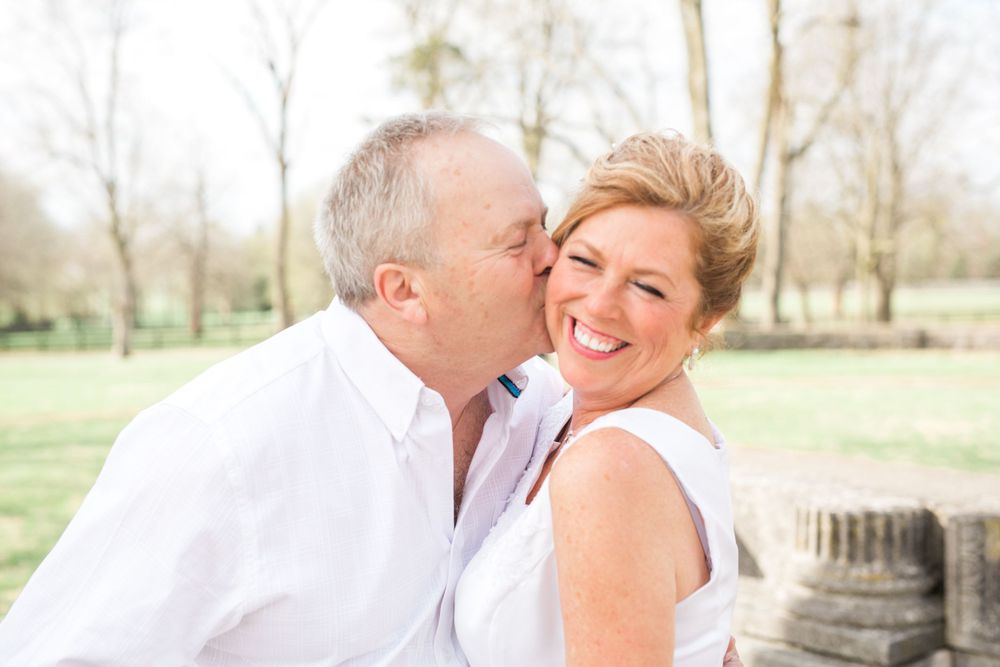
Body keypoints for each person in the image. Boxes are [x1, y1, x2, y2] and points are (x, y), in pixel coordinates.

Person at [0, 113, 565, 665]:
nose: (555, 257)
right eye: (518, 242)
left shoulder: (551, 408)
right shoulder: (217, 448)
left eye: (545, 225)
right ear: (404, 291)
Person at [454, 132, 759, 665]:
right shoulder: (572, 415)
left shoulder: (609, 467)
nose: (599, 304)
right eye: (587, 262)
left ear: (706, 318)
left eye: (648, 288)